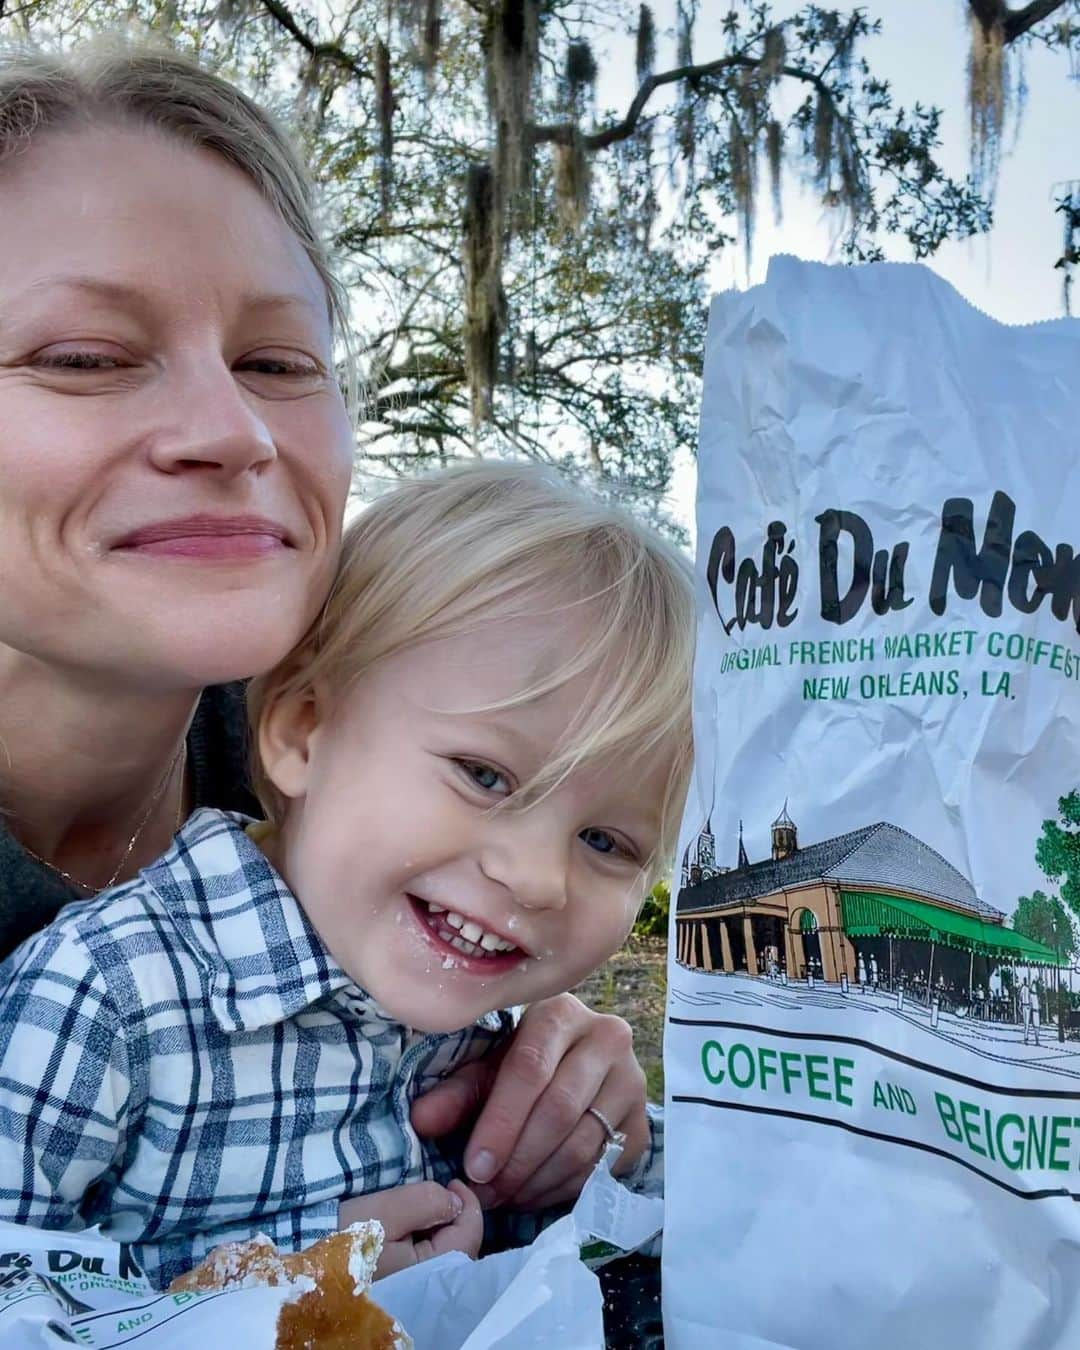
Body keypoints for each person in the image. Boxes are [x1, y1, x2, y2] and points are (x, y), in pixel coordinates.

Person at [0, 38, 653, 1235]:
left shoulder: (377, 769)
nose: (234, 429)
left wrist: (552, 1088)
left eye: (278, 362)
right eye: (85, 358)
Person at [0, 461, 694, 1290]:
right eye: (484, 775)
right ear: (302, 733)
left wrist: (614, 1150)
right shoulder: (108, 999)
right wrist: (246, 1293)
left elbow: (699, 1227)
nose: (540, 878)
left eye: (607, 842)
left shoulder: (480, 1035)